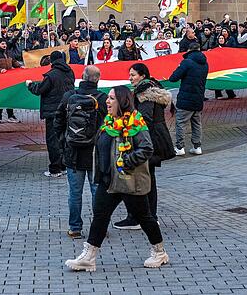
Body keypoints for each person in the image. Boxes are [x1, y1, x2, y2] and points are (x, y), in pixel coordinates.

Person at [65, 86, 168, 272]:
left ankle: (159, 252)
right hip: (109, 180)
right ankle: (89, 257)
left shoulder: (135, 122)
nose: (107, 101)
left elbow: (147, 148)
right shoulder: (109, 122)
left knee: (144, 217)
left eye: (112, 98)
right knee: (100, 216)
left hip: (128, 180)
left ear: (123, 101)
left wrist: (127, 161)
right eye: (108, 98)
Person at [114, 63, 174, 231]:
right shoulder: (150, 88)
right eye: (130, 75)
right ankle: (148, 217)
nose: (130, 78)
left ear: (142, 76)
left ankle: (141, 218)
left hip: (149, 140)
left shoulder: (145, 93)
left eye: (133, 75)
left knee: (142, 178)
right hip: (154, 139)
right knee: (147, 178)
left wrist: (127, 127)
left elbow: (144, 118)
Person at [53, 65, 106, 239]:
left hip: (73, 153)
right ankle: (99, 228)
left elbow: (58, 121)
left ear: (82, 76)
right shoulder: (103, 99)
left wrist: (64, 142)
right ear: (98, 79)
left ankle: (75, 228)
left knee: (75, 193)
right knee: (97, 191)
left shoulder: (70, 97)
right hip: (95, 153)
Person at [26, 50, 74, 178]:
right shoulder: (70, 72)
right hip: (67, 110)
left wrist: (30, 85)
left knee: (53, 141)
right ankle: (63, 166)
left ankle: (55, 169)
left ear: (52, 61)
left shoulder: (51, 75)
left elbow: (39, 90)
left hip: (53, 113)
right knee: (64, 139)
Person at [169, 42, 207, 156]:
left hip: (186, 98)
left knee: (180, 123)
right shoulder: (205, 63)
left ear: (189, 50)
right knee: (196, 123)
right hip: (198, 98)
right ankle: (197, 146)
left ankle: (180, 147)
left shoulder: (187, 62)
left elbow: (173, 78)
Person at [0, 38, 22, 123]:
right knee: (0, 97)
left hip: (9, 79)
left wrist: (20, 66)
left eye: (5, 44)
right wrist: (0, 70)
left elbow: (14, 62)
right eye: (2, 44)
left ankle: (10, 116)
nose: (4, 45)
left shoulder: (9, 52)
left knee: (10, 97)